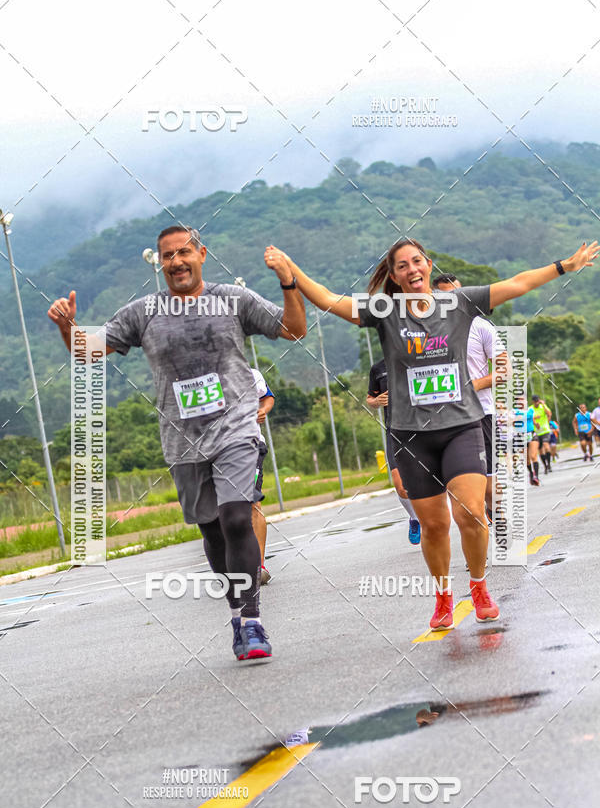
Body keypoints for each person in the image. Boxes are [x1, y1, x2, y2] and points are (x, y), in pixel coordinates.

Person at [264, 238, 598, 632]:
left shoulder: (459, 303)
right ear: (394, 276)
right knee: (435, 526)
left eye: (417, 261)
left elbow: (519, 282)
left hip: (461, 426)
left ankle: (478, 587)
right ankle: (442, 595)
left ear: (428, 264)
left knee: (471, 512)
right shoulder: (384, 311)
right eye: (401, 266)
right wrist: (291, 270)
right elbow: (327, 299)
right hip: (411, 435)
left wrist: (566, 266)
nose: (412, 270)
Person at [47, 225, 306, 662]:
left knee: (237, 517)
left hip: (236, 426)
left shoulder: (232, 299)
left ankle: (253, 619)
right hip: (183, 439)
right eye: (167, 256)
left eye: (184, 252)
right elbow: (86, 350)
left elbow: (294, 329)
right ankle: (238, 616)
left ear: (202, 253)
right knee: (212, 530)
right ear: (159, 263)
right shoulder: (144, 312)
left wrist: (288, 281)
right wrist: (67, 325)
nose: (176, 262)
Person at [434, 274, 509, 523]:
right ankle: (476, 552)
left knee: (488, 487)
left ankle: (493, 510)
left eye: (456, 294)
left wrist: (471, 386)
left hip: (481, 413)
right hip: (444, 420)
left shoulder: (481, 326)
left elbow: (505, 370)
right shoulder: (426, 331)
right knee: (464, 493)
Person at [367, 358, 421, 544]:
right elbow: (369, 398)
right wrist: (376, 401)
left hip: (422, 428)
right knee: (401, 486)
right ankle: (415, 519)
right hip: (395, 432)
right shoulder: (378, 368)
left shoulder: (417, 361)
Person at [251, 367, 275, 584]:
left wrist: (263, 410)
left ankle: (259, 565)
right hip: (216, 451)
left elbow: (267, 397)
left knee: (252, 503)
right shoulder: (202, 379)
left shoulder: (251, 374)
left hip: (251, 445)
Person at [529, 395, 553, 474]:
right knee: (541, 451)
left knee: (546, 446)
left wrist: (543, 405)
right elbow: (530, 419)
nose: (537, 403)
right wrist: (535, 420)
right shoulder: (530, 408)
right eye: (535, 401)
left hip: (545, 430)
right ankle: (545, 465)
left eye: (538, 401)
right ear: (533, 401)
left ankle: (549, 464)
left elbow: (549, 414)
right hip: (537, 431)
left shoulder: (543, 406)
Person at [526, 404, 540, 485]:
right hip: (520, 437)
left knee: (533, 456)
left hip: (531, 434)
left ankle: (536, 477)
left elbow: (529, 415)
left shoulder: (530, 410)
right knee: (527, 460)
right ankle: (531, 473)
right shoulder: (514, 411)